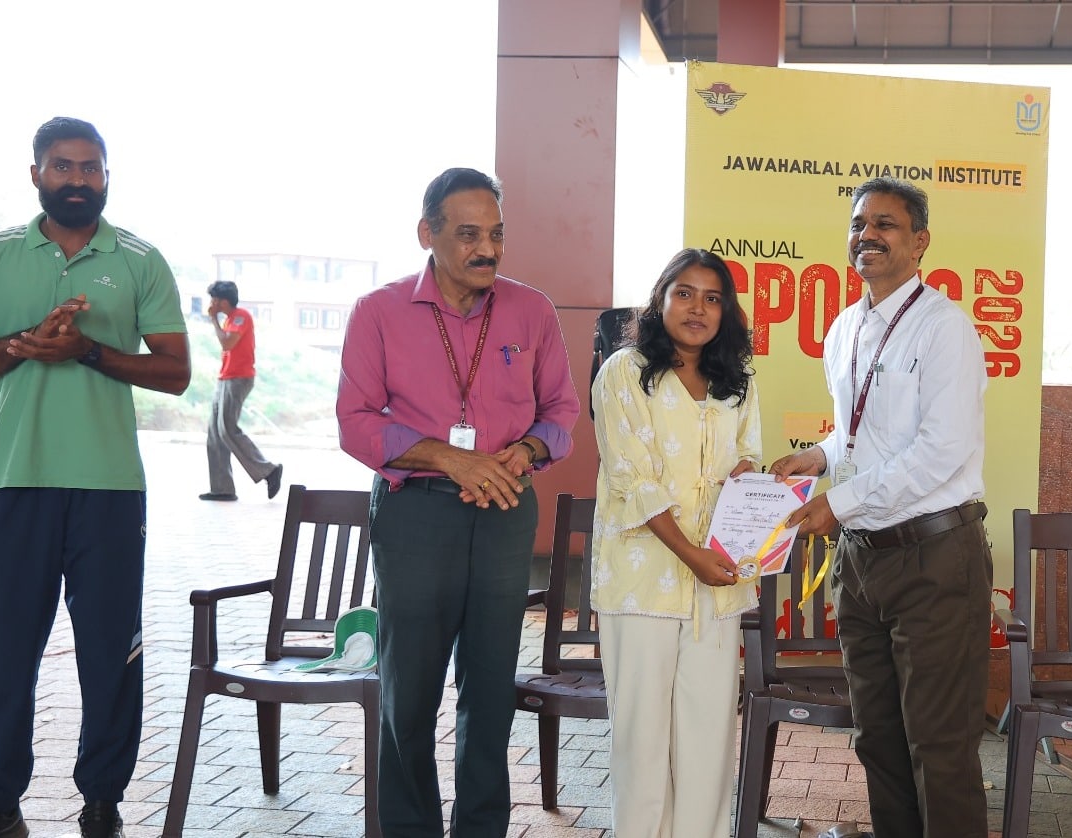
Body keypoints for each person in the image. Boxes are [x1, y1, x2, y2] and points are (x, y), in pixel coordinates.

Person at [0, 116, 191, 838]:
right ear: (36, 174)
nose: (77, 179)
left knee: (111, 653)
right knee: (5, 650)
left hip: (110, 489)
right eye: (62, 166)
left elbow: (176, 372)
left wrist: (86, 351)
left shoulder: (140, 260)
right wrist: (24, 344)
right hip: (14, 481)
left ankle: (103, 800)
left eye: (90, 167)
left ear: (106, 177)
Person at [336, 167, 581, 837]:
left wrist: (524, 452)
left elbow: (561, 411)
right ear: (428, 233)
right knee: (409, 694)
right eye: (469, 235)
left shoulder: (531, 310)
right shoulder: (378, 311)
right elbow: (355, 423)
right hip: (416, 514)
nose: (487, 250)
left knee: (491, 690)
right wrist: (450, 457)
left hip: (505, 510)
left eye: (496, 235)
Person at [770, 177, 992, 838]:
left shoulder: (945, 328)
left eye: (885, 224)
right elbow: (860, 433)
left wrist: (838, 503)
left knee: (939, 748)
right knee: (878, 740)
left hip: (933, 558)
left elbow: (941, 450)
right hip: (862, 562)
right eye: (858, 224)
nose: (867, 235)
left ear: (920, 242)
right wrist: (819, 456)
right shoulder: (845, 328)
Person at [591, 248, 761, 838]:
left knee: (709, 740)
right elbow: (631, 479)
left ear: (726, 311)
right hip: (642, 583)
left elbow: (749, 454)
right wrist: (691, 555)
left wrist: (748, 478)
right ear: (660, 299)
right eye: (684, 293)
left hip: (717, 586)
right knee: (641, 741)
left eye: (712, 298)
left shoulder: (738, 381)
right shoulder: (624, 372)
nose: (697, 308)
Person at [199, 279, 283, 501]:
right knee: (215, 434)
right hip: (225, 378)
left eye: (215, 299)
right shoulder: (229, 319)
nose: (212, 303)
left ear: (223, 301)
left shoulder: (240, 316)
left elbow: (227, 344)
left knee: (227, 428)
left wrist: (213, 320)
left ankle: (269, 470)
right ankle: (222, 489)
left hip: (238, 379)